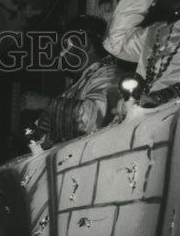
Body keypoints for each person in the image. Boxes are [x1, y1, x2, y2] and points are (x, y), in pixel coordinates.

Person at [21, 15, 123, 150]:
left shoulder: (109, 74)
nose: (62, 54)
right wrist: (45, 127)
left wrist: (46, 103)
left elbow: (95, 117)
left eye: (66, 46)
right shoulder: (76, 85)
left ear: (87, 44)